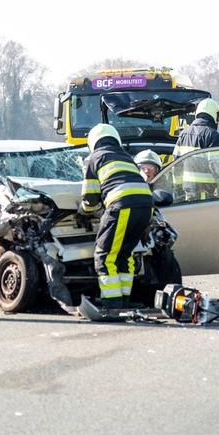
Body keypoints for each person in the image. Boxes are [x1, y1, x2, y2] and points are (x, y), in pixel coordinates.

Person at [81, 123, 154, 308]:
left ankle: (111, 302)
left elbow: (90, 198)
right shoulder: (127, 157)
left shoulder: (94, 158)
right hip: (145, 206)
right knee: (124, 255)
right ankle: (123, 299)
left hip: (122, 206)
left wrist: (85, 211)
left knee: (105, 255)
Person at [172, 98, 219, 200]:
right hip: (205, 195)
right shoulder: (213, 135)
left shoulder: (183, 134)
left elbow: (176, 164)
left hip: (187, 194)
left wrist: (178, 189)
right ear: (215, 115)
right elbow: (215, 165)